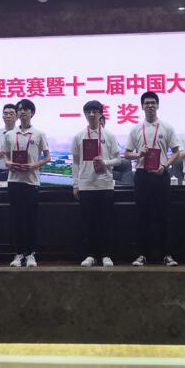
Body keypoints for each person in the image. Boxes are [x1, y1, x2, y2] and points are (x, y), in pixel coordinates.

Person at [125, 91, 181, 266]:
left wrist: (165, 165)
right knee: (143, 216)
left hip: (161, 174)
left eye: (153, 103)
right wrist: (138, 155)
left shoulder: (167, 127)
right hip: (142, 175)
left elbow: (177, 152)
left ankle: (167, 254)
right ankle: (142, 254)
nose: (150, 106)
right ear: (142, 107)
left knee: (163, 216)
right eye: (146, 103)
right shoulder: (135, 129)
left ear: (157, 105)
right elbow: (127, 154)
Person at [0, 99, 50, 267]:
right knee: (16, 219)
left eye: (26, 109)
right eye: (20, 109)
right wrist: (9, 163)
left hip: (31, 181)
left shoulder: (39, 134)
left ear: (32, 113)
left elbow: (47, 157)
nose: (22, 112)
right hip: (14, 181)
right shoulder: (9, 134)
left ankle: (31, 254)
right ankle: (18, 254)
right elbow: (6, 157)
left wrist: (35, 165)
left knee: (31, 219)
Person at [72, 100, 123, 267]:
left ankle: (106, 255)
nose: (92, 114)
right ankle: (90, 255)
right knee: (88, 222)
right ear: (85, 114)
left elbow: (118, 160)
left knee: (106, 221)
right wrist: (75, 184)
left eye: (95, 111)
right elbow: (75, 162)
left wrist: (105, 162)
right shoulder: (79, 136)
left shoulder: (109, 136)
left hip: (105, 184)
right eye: (88, 111)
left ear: (101, 114)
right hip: (86, 185)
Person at [0, 103, 18, 183]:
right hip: (0, 172)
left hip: (17, 172)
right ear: (2, 116)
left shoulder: (20, 134)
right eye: (5, 114)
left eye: (11, 114)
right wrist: (3, 151)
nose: (8, 116)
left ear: (17, 117)